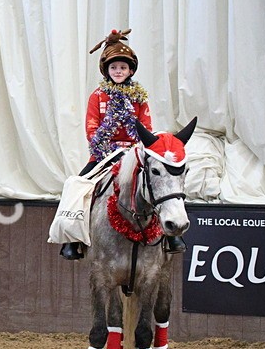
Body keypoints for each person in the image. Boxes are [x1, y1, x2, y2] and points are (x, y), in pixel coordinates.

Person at [60, 28, 184, 260]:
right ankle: (72, 240)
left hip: (134, 153)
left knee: (159, 182)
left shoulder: (139, 97)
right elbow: (91, 128)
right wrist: (106, 150)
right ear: (107, 70)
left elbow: (146, 127)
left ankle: (171, 237)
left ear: (130, 70)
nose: (118, 71)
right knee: (76, 185)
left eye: (123, 67)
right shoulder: (97, 96)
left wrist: (135, 150)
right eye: (114, 67)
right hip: (103, 154)